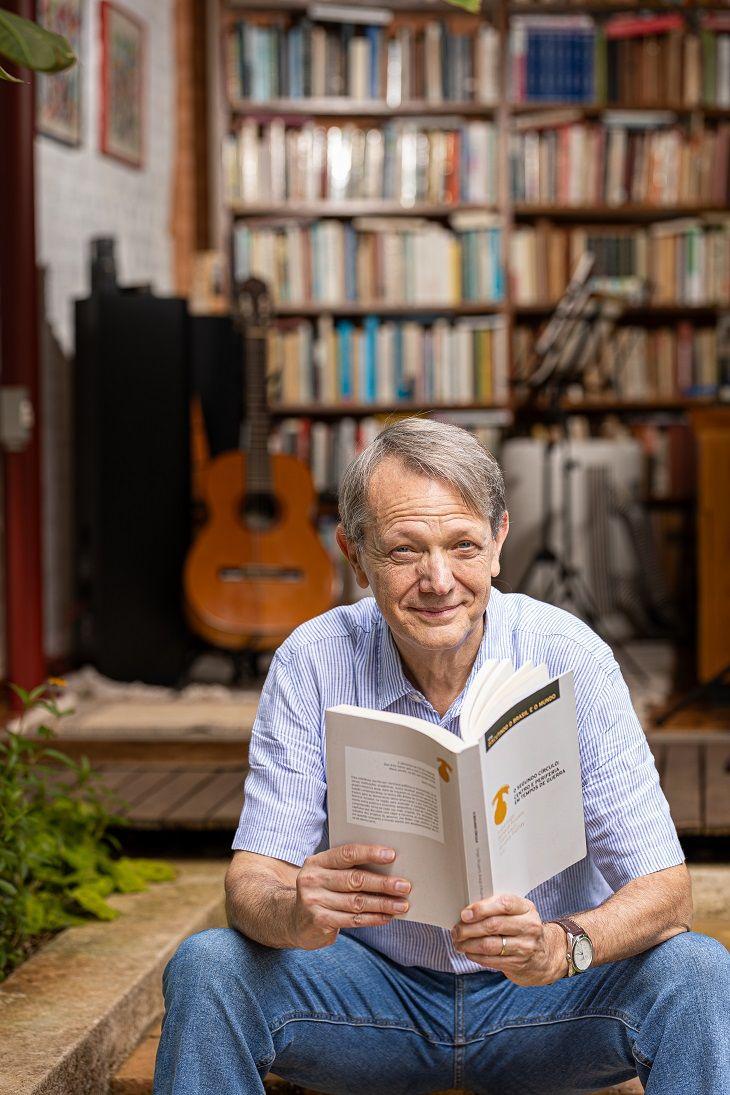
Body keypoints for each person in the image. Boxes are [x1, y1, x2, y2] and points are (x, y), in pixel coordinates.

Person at [154, 418, 729, 1095]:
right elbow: (250, 880)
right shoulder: (310, 660)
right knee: (207, 965)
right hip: (368, 1003)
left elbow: (666, 892)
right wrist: (294, 910)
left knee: (696, 970)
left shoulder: (569, 654)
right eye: (404, 550)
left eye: (462, 545)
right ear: (354, 553)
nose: (438, 580)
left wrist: (561, 944)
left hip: (545, 1005)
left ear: (499, 542)